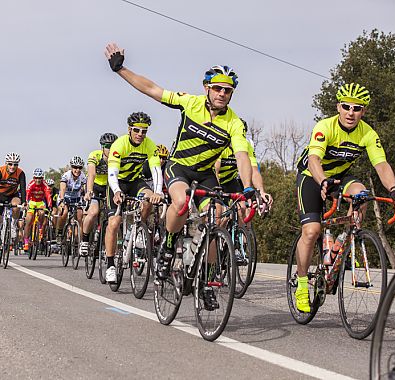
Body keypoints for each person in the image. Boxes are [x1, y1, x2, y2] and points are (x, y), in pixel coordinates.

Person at [105, 43, 255, 308]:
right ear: (207, 88)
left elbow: (243, 157)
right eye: (217, 88)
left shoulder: (234, 122)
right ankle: (168, 244)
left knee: (217, 219)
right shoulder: (190, 103)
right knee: (181, 202)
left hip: (206, 174)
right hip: (179, 167)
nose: (222, 94)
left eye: (228, 90)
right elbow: (152, 89)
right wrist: (120, 70)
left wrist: (247, 188)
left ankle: (207, 282)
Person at [293, 83, 395, 313]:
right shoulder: (325, 126)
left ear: (364, 111)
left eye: (357, 108)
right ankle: (301, 285)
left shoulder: (368, 133)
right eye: (346, 107)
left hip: (341, 178)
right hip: (312, 177)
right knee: (311, 231)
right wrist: (322, 181)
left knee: (362, 194)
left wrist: (394, 190)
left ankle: (345, 243)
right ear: (338, 107)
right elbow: (314, 160)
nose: (351, 112)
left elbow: (381, 164)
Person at [104, 112, 164, 283]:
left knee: (149, 199)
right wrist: (116, 191)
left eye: (144, 131)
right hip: (118, 183)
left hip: (135, 182)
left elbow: (156, 171)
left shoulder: (149, 145)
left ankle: (138, 231)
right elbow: (112, 173)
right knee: (114, 223)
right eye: (137, 130)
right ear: (129, 130)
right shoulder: (119, 144)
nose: (140, 134)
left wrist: (157, 192)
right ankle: (110, 265)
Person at [214, 118, 273, 230]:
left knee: (242, 208)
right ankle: (218, 235)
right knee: (220, 214)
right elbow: (215, 171)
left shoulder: (246, 145)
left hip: (230, 180)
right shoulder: (222, 145)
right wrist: (219, 196)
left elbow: (254, 171)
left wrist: (261, 191)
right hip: (216, 180)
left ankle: (240, 244)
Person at [81, 132, 117, 256]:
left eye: (113, 146)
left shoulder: (118, 157)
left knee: (114, 216)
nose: (110, 149)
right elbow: (91, 175)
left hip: (109, 186)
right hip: (95, 186)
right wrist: (89, 191)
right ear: (102, 147)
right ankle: (84, 241)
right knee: (93, 212)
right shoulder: (95, 155)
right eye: (108, 146)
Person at [0, 152, 26, 260]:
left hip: (12, 195)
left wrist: (24, 202)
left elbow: (23, 189)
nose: (12, 167)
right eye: (10, 164)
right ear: (6, 163)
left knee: (16, 205)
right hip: (0, 195)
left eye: (15, 164)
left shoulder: (20, 173)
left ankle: (13, 224)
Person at [55, 156, 87, 243]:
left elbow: (85, 190)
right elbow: (62, 189)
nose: (77, 170)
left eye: (80, 167)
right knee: (64, 212)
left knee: (80, 217)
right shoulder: (66, 176)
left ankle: (80, 241)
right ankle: (60, 232)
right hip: (65, 197)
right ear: (71, 167)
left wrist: (86, 199)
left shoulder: (83, 176)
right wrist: (62, 200)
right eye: (75, 167)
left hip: (76, 198)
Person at [23, 168, 53, 251]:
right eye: (36, 178)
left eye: (40, 178)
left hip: (40, 202)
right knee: (28, 220)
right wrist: (26, 203)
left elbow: (48, 196)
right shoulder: (31, 184)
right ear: (33, 178)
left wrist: (50, 206)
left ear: (42, 178)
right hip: (32, 202)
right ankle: (26, 242)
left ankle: (40, 228)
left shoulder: (45, 184)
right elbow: (27, 194)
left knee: (42, 213)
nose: (38, 180)